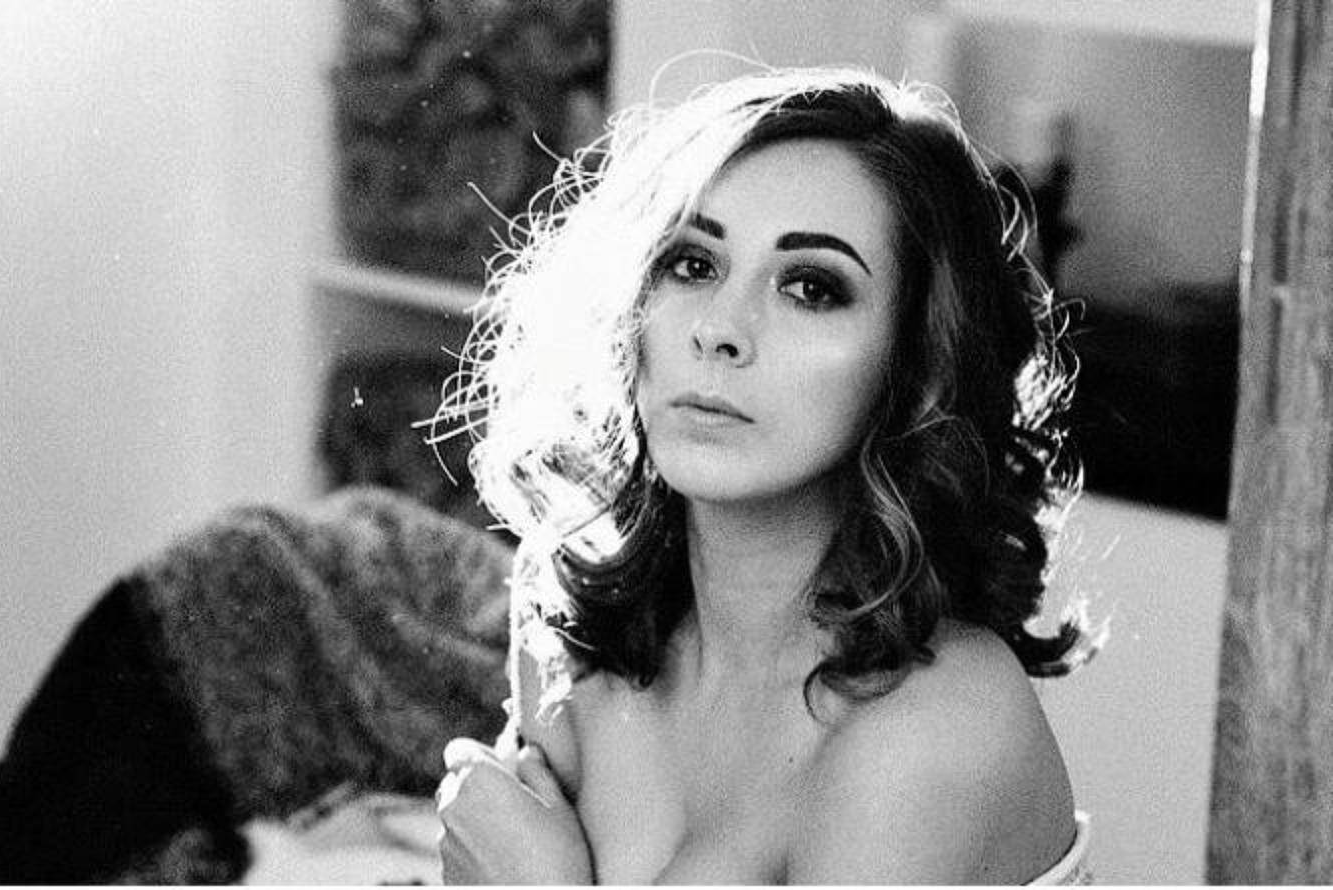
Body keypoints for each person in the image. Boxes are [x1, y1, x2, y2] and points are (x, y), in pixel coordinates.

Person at [433, 65, 1098, 885]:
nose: (720, 328)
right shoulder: (574, 637)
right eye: (691, 263)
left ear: (918, 365)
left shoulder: (939, 725)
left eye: (811, 287)